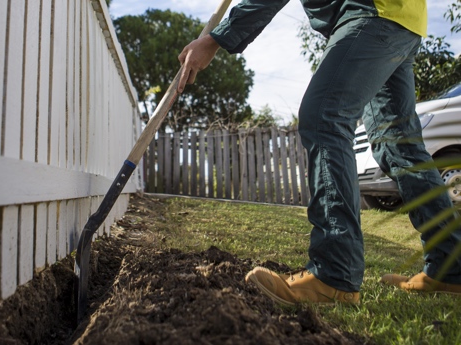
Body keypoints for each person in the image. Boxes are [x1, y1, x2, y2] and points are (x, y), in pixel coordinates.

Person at [177, 0, 461, 305]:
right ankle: (450, 269)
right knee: (400, 146)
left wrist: (214, 40)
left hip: (375, 13)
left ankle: (334, 273)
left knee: (324, 115)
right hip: (401, 18)